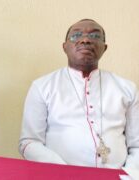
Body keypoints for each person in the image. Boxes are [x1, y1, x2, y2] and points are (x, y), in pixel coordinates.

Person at [19, 19, 139, 170]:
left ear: (104, 48)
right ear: (64, 47)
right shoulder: (42, 86)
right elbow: (29, 142)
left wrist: (129, 174)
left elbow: (137, 145)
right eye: (76, 36)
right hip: (59, 176)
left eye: (95, 36)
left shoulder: (127, 88)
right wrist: (65, 173)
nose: (85, 40)